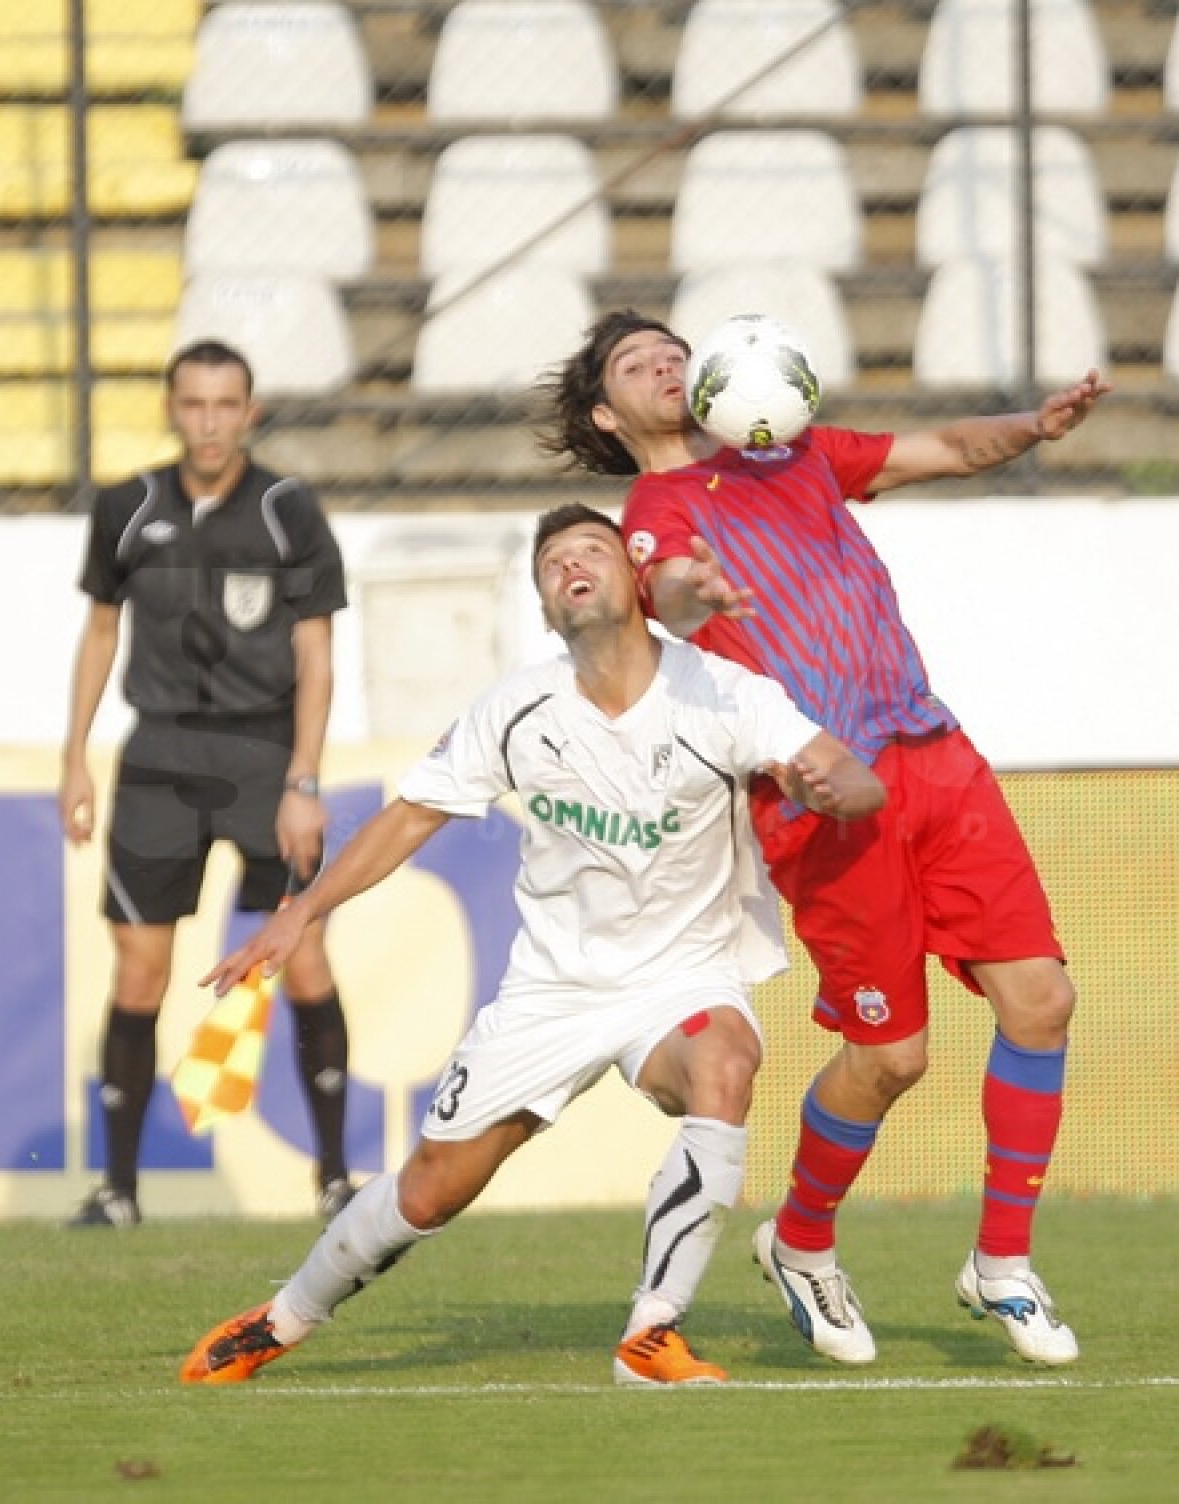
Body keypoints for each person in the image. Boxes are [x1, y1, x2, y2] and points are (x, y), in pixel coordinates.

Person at [179, 504, 885, 1388]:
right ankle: (279, 1319)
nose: (571, 566)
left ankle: (653, 1334)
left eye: (591, 550)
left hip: (682, 976)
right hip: (553, 990)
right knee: (431, 1187)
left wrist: (834, 788)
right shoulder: (518, 707)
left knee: (726, 1061)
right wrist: (305, 911)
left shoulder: (722, 692)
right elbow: (412, 816)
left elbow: (849, 774)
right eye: (552, 563)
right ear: (547, 609)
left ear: (636, 582)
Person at [538, 310, 1112, 1368]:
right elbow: (667, 592)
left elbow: (943, 449)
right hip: (820, 795)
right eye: (634, 364)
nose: (663, 364)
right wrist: (695, 591)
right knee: (891, 1056)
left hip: (933, 750)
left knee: (1044, 999)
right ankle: (801, 1240)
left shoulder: (795, 452)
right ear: (607, 415)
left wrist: (1034, 427)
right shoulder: (654, 513)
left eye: (672, 351)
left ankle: (1003, 1263)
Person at [60, 339, 355, 1227]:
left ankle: (334, 1178)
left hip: (265, 760)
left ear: (250, 413)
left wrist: (304, 779)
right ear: (171, 409)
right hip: (157, 761)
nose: (210, 422)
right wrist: (75, 757)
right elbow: (101, 634)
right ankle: (119, 1190)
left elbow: (316, 654)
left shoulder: (287, 510)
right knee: (140, 971)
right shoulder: (126, 508)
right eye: (194, 404)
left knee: (303, 954)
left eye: (226, 405)